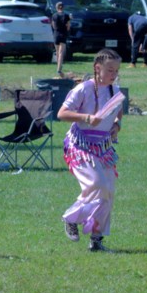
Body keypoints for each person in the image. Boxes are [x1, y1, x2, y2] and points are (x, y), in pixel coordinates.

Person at [59, 49, 125, 251]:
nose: (114, 74)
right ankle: (71, 218)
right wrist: (87, 118)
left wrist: (116, 126)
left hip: (103, 147)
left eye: (116, 71)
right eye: (110, 70)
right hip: (80, 145)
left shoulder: (115, 89)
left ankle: (96, 241)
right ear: (98, 68)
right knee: (96, 183)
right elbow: (62, 113)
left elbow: (118, 112)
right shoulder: (83, 89)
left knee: (108, 191)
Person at [51, 2, 71, 76]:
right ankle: (59, 69)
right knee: (61, 52)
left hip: (56, 34)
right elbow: (68, 26)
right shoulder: (66, 16)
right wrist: (67, 30)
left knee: (57, 51)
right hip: (63, 34)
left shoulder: (54, 15)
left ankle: (59, 67)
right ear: (63, 7)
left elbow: (53, 25)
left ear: (57, 8)